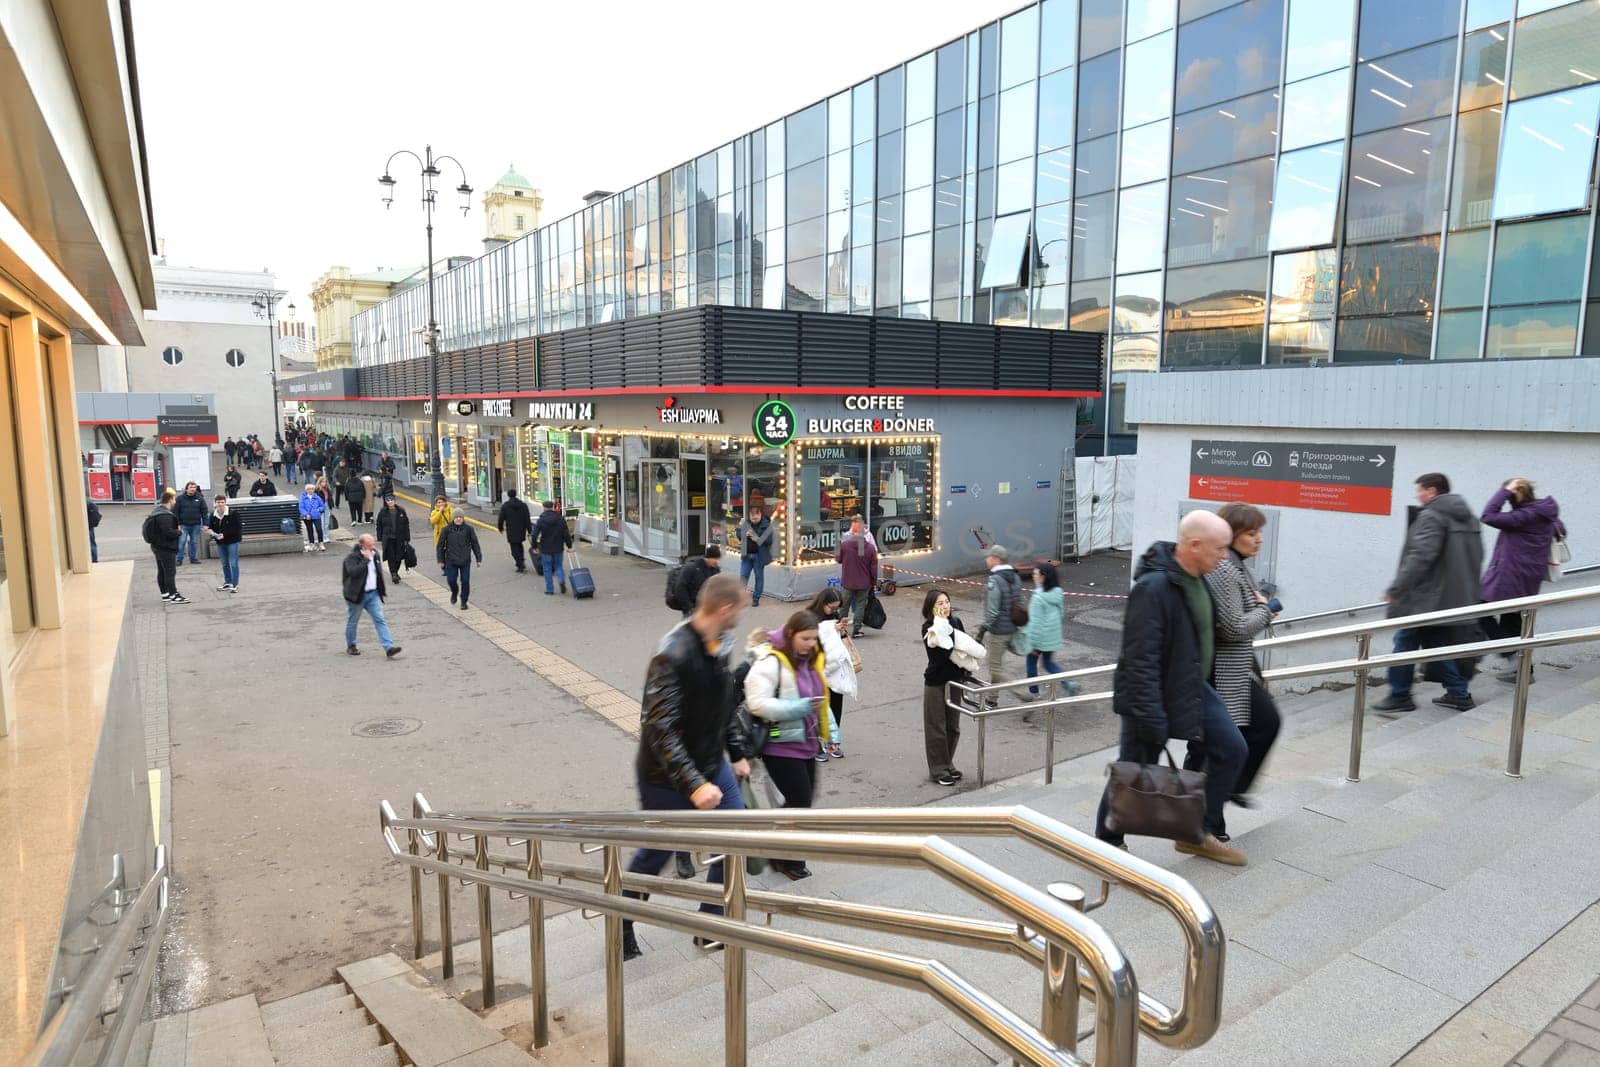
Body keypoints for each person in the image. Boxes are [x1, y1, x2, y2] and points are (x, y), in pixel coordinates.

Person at [1093, 510, 1247, 866]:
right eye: (1220, 549)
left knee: (1232, 749)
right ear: (1194, 545)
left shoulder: (1199, 578)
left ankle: (1196, 833)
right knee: (1134, 770)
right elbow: (1139, 659)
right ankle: (1107, 844)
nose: (1225, 556)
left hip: (1192, 687)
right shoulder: (1154, 588)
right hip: (1152, 696)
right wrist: (1151, 716)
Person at [621, 573, 752, 961]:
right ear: (725, 608)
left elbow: (723, 704)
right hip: (667, 778)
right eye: (741, 608)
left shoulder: (719, 644)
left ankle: (708, 923)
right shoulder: (672, 654)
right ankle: (621, 918)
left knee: (735, 841)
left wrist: (736, 751)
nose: (743, 615)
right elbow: (659, 729)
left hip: (712, 765)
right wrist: (694, 784)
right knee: (655, 855)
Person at [1373, 473, 1485, 715]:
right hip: (1452, 597)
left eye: (1420, 490)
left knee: (1405, 641)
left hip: (1426, 598)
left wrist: (1396, 589)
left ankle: (1400, 695)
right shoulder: (1469, 520)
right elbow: (1477, 557)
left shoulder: (1432, 516)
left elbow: (1421, 557)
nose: (1417, 495)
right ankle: (1458, 693)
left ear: (1432, 491)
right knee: (1436, 643)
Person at [1198, 503, 1282, 814]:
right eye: (1251, 533)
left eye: (1260, 532)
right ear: (1231, 536)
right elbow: (1233, 627)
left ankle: (1217, 803)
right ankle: (1220, 796)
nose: (1259, 538)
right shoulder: (1225, 569)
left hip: (1236, 666)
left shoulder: (1238, 565)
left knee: (1235, 735)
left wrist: (1260, 610)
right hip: (1223, 668)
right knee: (1262, 725)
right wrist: (1265, 610)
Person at [744, 610, 831, 880]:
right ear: (791, 634)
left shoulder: (810, 658)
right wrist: (797, 708)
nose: (810, 644)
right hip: (780, 745)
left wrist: (827, 730)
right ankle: (788, 858)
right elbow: (756, 702)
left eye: (814, 639)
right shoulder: (772, 661)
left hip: (806, 741)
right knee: (799, 801)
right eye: (805, 638)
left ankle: (771, 844)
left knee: (803, 800)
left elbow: (820, 696)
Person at [1480, 478, 1564, 683]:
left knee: (1478, 611)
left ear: (1513, 495)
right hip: (1528, 579)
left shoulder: (1523, 516)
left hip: (1510, 577)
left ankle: (1510, 655)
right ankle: (1524, 673)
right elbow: (1561, 531)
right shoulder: (1545, 514)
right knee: (1513, 622)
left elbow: (1488, 516)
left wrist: (1504, 492)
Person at [921, 588, 978, 786]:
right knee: (936, 727)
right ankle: (938, 770)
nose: (945, 606)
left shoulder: (956, 622)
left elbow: (966, 649)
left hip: (956, 680)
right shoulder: (929, 628)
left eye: (946, 602)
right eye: (940, 604)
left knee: (953, 726)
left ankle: (947, 763)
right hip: (936, 682)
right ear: (931, 608)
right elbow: (941, 655)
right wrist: (942, 628)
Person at [806, 587, 856, 760]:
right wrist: (830, 628)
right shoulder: (809, 616)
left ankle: (832, 741)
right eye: (831, 608)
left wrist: (840, 629)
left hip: (834, 668)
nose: (834, 611)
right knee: (818, 706)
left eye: (836, 608)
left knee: (836, 703)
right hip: (816, 667)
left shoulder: (833, 617)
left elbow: (837, 639)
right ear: (823, 603)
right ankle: (815, 744)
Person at [976, 545, 1027, 705]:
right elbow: (1020, 602)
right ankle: (992, 699)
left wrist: (982, 630)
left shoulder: (995, 580)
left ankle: (1025, 695)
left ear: (996, 559)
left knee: (994, 668)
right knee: (996, 665)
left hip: (998, 631)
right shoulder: (1015, 577)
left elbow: (992, 612)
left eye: (989, 557)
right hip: (1012, 627)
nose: (986, 559)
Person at [342, 533, 401, 658]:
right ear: (361, 545)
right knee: (353, 621)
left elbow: (377, 574)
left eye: (373, 544)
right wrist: (365, 560)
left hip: (372, 594)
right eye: (369, 545)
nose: (372, 547)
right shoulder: (351, 558)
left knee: (380, 619)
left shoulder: (375, 554)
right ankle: (351, 645)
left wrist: (381, 590)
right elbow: (353, 572)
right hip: (357, 595)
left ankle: (389, 647)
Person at [1024, 561, 1068, 698]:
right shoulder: (1057, 593)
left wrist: (1031, 643)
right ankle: (1069, 683)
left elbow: (1035, 623)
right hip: (1052, 636)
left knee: (1031, 664)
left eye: (1035, 573)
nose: (1033, 576)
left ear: (1043, 576)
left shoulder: (1038, 597)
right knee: (1048, 663)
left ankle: (1034, 694)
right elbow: (1061, 614)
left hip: (1038, 639)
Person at [834, 515, 878, 638]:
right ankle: (856, 630)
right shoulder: (870, 548)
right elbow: (873, 568)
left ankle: (841, 629)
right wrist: (873, 583)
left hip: (848, 581)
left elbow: (838, 559)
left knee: (844, 606)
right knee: (860, 606)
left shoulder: (845, 545)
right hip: (864, 583)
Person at [147, 488, 187, 605]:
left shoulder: (156, 511)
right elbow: (168, 533)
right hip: (166, 548)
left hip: (157, 546)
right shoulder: (165, 515)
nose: (175, 502)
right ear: (170, 500)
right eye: (174, 499)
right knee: (170, 572)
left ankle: (165, 594)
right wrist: (179, 532)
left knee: (162, 571)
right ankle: (174, 595)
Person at [437, 511, 483, 610]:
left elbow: (475, 544)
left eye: (460, 517)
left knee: (465, 581)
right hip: (451, 560)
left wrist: (478, 558)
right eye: (456, 517)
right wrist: (440, 560)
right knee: (451, 580)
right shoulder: (446, 530)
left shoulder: (469, 529)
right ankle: (454, 591)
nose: (458, 519)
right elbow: (440, 546)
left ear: (463, 518)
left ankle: (464, 601)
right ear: (453, 518)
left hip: (465, 560)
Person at [736, 505, 775, 607]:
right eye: (752, 518)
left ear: (760, 515)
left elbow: (769, 541)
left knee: (759, 577)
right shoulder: (747, 523)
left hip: (759, 556)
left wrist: (757, 538)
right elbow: (738, 535)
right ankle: (741, 598)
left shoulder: (766, 525)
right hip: (747, 555)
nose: (754, 521)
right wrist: (743, 533)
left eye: (756, 518)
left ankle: (756, 598)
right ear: (750, 516)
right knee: (743, 576)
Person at [532, 499, 573, 594]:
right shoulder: (560, 518)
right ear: (553, 507)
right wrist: (569, 546)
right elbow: (566, 533)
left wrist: (535, 547)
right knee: (559, 566)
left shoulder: (541, 520)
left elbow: (534, 535)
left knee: (547, 568)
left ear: (544, 508)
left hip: (545, 547)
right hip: (558, 546)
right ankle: (561, 580)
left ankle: (550, 590)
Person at [673, 544, 723, 617]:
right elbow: (680, 587)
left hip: (707, 608)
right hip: (692, 607)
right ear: (709, 557)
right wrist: (689, 607)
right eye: (715, 559)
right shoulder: (692, 567)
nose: (717, 562)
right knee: (690, 627)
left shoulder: (715, 569)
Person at [208, 493, 242, 592]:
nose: (220, 504)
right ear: (215, 503)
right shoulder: (213, 515)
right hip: (220, 542)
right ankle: (228, 582)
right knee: (224, 563)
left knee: (233, 563)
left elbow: (237, 528)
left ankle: (235, 585)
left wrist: (224, 534)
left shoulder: (233, 513)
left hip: (232, 541)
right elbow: (211, 528)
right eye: (218, 502)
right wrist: (210, 532)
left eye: (222, 502)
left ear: (225, 503)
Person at [376, 496, 412, 583]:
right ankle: (393, 573)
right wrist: (379, 537)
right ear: (386, 502)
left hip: (399, 537)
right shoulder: (383, 512)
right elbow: (379, 525)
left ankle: (395, 571)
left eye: (392, 500)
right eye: (388, 500)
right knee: (390, 556)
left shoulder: (401, 511)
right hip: (388, 538)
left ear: (395, 501)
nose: (390, 502)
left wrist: (407, 537)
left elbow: (406, 525)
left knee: (399, 556)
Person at [496, 489, 533, 573]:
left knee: (514, 548)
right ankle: (521, 560)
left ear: (508, 495)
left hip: (511, 529)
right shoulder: (523, 505)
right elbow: (527, 518)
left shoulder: (505, 506)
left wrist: (500, 528)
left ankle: (520, 565)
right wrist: (529, 530)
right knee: (519, 545)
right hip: (521, 529)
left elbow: (501, 518)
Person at [174, 481, 208, 566]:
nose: (193, 489)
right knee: (182, 542)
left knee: (194, 542)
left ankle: (193, 558)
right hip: (183, 524)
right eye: (191, 487)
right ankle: (179, 559)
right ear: (186, 489)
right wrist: (177, 524)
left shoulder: (200, 498)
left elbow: (204, 511)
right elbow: (175, 512)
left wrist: (205, 524)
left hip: (196, 524)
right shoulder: (180, 498)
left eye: (194, 488)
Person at [299, 482, 328, 553]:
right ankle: (312, 543)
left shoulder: (317, 497)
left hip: (316, 516)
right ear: (306, 490)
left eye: (312, 489)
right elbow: (301, 508)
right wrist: (306, 514)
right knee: (310, 530)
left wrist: (318, 510)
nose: (310, 490)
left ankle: (321, 543)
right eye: (309, 489)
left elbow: (322, 506)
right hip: (307, 517)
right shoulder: (303, 498)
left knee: (319, 529)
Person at [87, 499, 101, 563]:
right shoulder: (88, 501)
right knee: (92, 542)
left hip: (88, 524)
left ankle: (93, 559)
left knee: (91, 542)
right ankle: (94, 558)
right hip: (91, 524)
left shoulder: (85, 502)